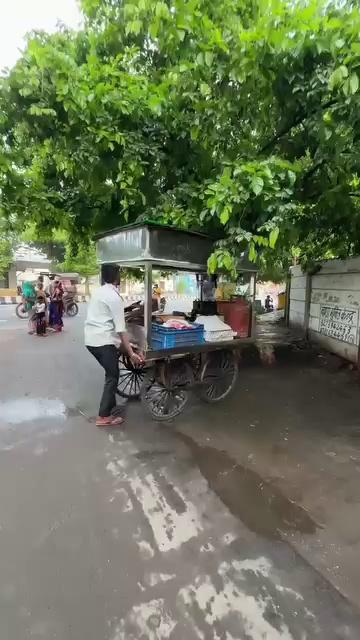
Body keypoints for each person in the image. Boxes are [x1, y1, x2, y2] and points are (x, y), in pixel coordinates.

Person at [85, 264, 144, 427]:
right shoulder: (114, 297)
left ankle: (110, 407)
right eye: (120, 273)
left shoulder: (99, 292)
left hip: (91, 340)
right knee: (112, 376)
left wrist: (125, 347)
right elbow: (120, 329)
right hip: (103, 341)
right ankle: (103, 416)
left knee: (111, 372)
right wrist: (131, 352)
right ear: (117, 276)